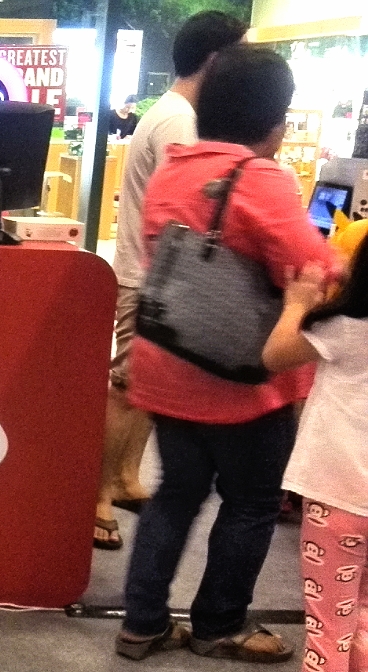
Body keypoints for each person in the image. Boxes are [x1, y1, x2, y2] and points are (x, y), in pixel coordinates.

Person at [115, 45, 338, 663]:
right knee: (252, 501)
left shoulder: (176, 166)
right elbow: (314, 269)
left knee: (176, 494)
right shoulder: (260, 178)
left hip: (169, 363)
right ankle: (219, 625)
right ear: (274, 119)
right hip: (239, 381)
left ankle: (142, 623)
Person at [94, 11, 247, 551]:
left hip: (153, 274)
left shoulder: (175, 113)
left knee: (142, 387)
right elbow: (186, 202)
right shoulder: (179, 121)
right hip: (146, 276)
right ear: (215, 60)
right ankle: (97, 497)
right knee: (126, 387)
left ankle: (124, 479)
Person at [264, 250, 368, 672]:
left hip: (337, 497)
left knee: (329, 632)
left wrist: (297, 304)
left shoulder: (344, 325)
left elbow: (275, 355)